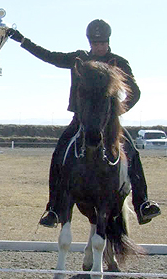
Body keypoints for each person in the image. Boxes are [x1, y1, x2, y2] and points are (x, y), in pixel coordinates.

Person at [9, 19, 161, 226]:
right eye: (95, 43)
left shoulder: (119, 62)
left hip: (108, 121)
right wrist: (22, 41)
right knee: (58, 154)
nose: (99, 46)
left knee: (133, 152)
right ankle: (53, 208)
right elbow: (50, 57)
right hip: (80, 119)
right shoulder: (78, 59)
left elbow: (135, 92)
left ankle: (143, 204)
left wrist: (116, 111)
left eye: (102, 43)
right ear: (89, 42)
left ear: (108, 41)